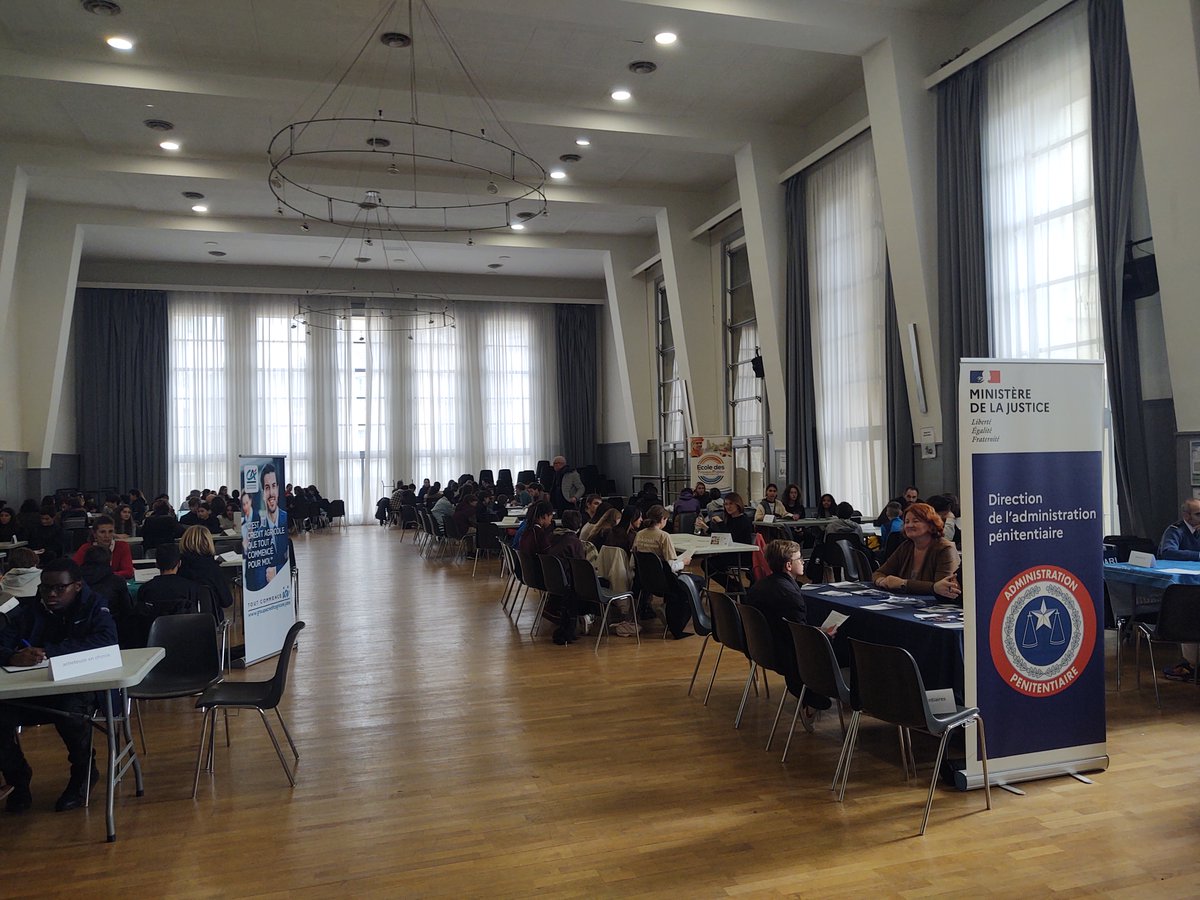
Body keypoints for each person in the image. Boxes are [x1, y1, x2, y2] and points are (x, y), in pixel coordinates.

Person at [0, 558, 118, 813]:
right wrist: (10, 656)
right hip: (29, 689)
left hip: (78, 688)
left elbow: (107, 642)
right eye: (45, 588)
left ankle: (83, 774)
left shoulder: (94, 605)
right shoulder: (29, 609)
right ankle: (18, 779)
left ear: (76, 586)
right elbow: (4, 642)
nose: (51, 594)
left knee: (71, 713)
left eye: (58, 588)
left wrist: (49, 652)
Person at [743, 539, 833, 716]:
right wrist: (822, 633)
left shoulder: (758, 586)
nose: (803, 562)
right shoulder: (790, 595)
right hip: (785, 654)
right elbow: (800, 638)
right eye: (800, 559)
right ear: (789, 565)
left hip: (761, 648)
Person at [633, 505, 701, 639]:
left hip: (645, 580)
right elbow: (673, 566)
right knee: (696, 583)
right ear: (663, 519)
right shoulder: (664, 536)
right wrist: (684, 562)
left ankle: (667, 611)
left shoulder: (640, 534)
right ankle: (677, 624)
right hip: (665, 580)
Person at [872, 502, 960, 598]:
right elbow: (878, 573)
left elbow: (943, 587)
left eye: (916, 521)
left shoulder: (945, 549)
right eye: (907, 521)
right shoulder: (906, 546)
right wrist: (881, 581)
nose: (909, 525)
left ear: (931, 525)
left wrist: (902, 583)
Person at [1159, 498, 1200, 680]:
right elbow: (1168, 552)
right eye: (1198, 514)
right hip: (1181, 587)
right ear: (1186, 515)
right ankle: (1191, 662)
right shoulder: (1175, 530)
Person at [179, 525, 235, 623]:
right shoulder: (213, 569)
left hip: (179, 619)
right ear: (208, 542)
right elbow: (227, 601)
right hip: (211, 619)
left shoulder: (178, 567)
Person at [80, 546, 134, 641]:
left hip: (80, 633)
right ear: (109, 561)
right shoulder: (117, 581)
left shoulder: (75, 581)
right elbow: (127, 612)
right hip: (113, 632)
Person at [71, 514, 134, 579]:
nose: (107, 536)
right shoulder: (86, 548)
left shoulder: (122, 546)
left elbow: (129, 572)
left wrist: (100, 575)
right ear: (94, 534)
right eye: (102, 532)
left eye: (110, 531)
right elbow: (72, 571)